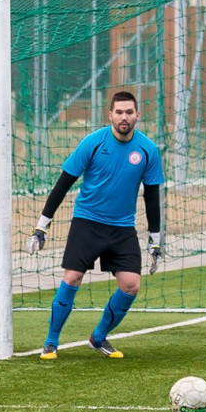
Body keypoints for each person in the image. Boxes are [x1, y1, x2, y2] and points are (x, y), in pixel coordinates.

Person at [28, 90, 165, 360]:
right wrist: (41, 226)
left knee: (131, 285)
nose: (124, 117)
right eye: (119, 112)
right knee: (72, 277)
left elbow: (152, 197)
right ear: (110, 115)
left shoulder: (148, 150)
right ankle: (51, 342)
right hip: (87, 222)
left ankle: (98, 337)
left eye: (129, 112)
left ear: (137, 115)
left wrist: (156, 240)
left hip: (122, 227)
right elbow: (63, 184)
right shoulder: (92, 143)